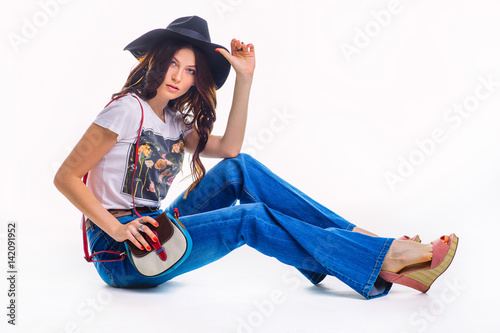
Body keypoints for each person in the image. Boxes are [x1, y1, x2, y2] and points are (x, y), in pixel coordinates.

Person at [54, 16, 458, 299]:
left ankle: (366, 246)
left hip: (159, 232)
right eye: (172, 64)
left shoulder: (174, 120)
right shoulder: (125, 110)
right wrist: (118, 229)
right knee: (251, 219)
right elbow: (67, 177)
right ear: (156, 61)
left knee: (239, 170)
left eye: (191, 70)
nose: (178, 77)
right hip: (124, 252)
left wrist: (245, 79)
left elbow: (230, 150)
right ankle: (382, 256)